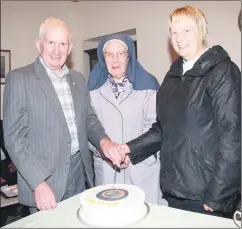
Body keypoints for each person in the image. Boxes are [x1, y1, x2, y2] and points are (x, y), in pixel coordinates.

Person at [119, 5, 241, 217]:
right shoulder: (172, 76)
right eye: (173, 32)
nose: (178, 38)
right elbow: (162, 129)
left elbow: (233, 136)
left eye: (186, 30)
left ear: (200, 31)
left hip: (206, 195)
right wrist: (130, 149)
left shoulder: (222, 71)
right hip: (175, 189)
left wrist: (218, 194)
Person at [2, 17, 126, 214]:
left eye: (63, 44)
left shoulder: (78, 79)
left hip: (80, 175)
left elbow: (89, 121)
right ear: (39, 44)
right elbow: (14, 138)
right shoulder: (19, 78)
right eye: (51, 42)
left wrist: (105, 143)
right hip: (45, 182)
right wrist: (38, 183)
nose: (57, 50)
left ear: (69, 48)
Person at [88, 34, 168, 205]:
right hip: (108, 171)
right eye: (109, 54)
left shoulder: (149, 85)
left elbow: (155, 127)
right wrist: (105, 152)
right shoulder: (92, 90)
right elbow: (87, 128)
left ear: (129, 55)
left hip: (141, 170)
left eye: (120, 53)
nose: (115, 60)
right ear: (103, 58)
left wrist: (129, 152)